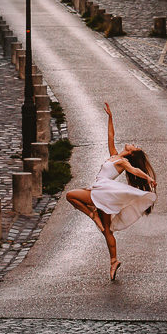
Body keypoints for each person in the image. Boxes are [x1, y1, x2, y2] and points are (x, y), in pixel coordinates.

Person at [66, 102, 157, 281]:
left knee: (71, 195)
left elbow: (135, 171)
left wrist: (148, 178)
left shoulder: (123, 163)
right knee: (107, 230)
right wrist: (110, 117)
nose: (132, 144)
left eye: (134, 146)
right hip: (103, 194)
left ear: (131, 154)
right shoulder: (115, 155)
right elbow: (110, 136)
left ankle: (93, 215)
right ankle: (114, 261)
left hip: (101, 192)